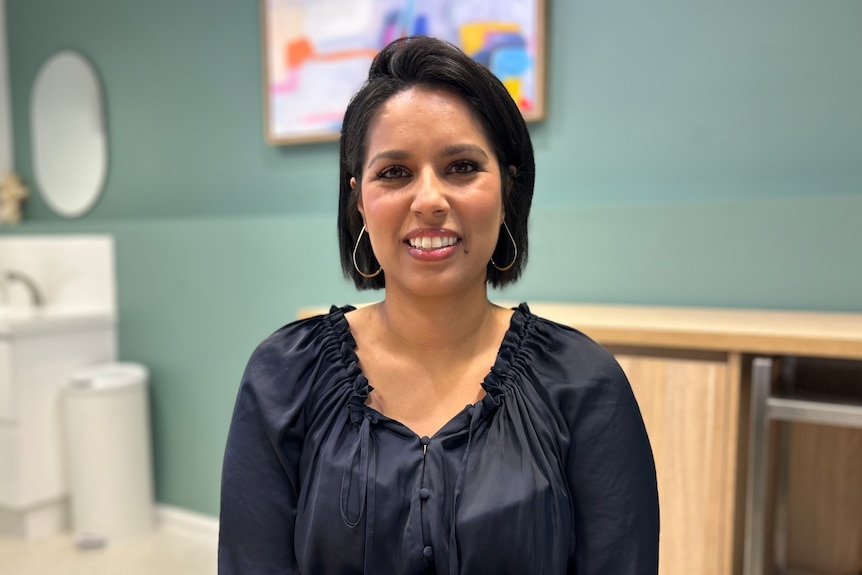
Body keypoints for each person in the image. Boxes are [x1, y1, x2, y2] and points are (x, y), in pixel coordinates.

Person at [219, 36, 659, 574]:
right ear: (359, 201)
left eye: (461, 167)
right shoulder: (282, 379)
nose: (429, 200)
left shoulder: (585, 384)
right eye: (395, 173)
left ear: (506, 191)